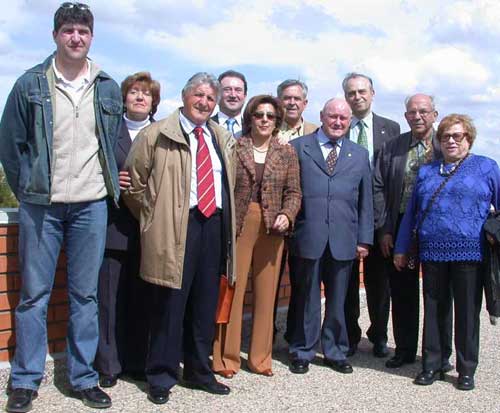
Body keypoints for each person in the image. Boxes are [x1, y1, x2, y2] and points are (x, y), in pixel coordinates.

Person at [0, 3, 121, 411]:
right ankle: (25, 380)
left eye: (83, 31)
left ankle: (83, 378)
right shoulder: (30, 83)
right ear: (55, 36)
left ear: (91, 36)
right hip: (42, 207)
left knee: (85, 296)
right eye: (68, 30)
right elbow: (10, 147)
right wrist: (29, 189)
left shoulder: (106, 86)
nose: (76, 37)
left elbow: (112, 141)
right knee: (34, 295)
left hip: (91, 205)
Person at [123, 73, 236, 405]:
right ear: (185, 96)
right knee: (169, 306)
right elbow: (133, 183)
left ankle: (200, 371)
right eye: (198, 95)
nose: (204, 102)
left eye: (210, 98)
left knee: (204, 303)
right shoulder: (156, 135)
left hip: (212, 224)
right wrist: (153, 217)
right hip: (174, 227)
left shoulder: (218, 136)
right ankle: (161, 374)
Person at [394, 114, 500, 391]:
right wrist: (402, 248)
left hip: (470, 253)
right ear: (439, 141)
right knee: (434, 310)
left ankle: (466, 369)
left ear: (469, 138)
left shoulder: (487, 167)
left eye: (457, 136)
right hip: (432, 252)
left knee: (466, 313)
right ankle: (433, 363)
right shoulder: (428, 171)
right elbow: (412, 214)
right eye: (445, 136)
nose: (451, 141)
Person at [212, 95, 301, 378]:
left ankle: (261, 358)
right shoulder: (234, 147)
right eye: (259, 115)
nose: (264, 120)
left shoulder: (286, 152)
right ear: (250, 118)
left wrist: (287, 214)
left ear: (277, 122)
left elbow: (294, 192)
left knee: (266, 293)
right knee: (233, 290)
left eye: (270, 116)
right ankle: (225, 358)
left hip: (272, 227)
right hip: (240, 223)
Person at [286, 98, 373, 375]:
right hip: (308, 235)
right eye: (332, 116)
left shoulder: (358, 154)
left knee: (338, 300)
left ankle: (335, 350)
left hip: (344, 238)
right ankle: (302, 349)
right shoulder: (299, 148)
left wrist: (364, 239)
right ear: (322, 116)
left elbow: (366, 201)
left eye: (343, 119)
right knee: (306, 298)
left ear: (349, 122)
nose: (337, 122)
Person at [374, 94, 452, 370]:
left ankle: (441, 355)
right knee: (402, 291)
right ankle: (405, 349)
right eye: (412, 112)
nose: (417, 116)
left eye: (423, 111)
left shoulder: (447, 147)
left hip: (436, 229)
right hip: (399, 226)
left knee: (438, 292)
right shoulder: (392, 147)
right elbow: (378, 187)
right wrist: (383, 229)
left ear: (434, 114)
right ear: (405, 116)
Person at [94, 72, 161, 388]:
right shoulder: (109, 131)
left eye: (145, 94)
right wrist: (111, 180)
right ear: (124, 98)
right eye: (134, 92)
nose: (139, 97)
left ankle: (137, 361)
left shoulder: (162, 135)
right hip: (115, 228)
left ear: (153, 102)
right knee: (109, 300)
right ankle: (109, 365)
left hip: (151, 232)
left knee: (143, 301)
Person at [342, 73, 400, 357]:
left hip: (378, 216)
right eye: (351, 93)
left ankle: (378, 333)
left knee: (379, 282)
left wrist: (386, 222)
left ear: (372, 93)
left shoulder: (391, 129)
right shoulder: (339, 126)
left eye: (362, 91)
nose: (357, 97)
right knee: (347, 280)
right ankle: (350, 335)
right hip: (345, 217)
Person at [277, 79, 318, 144]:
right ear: (278, 102)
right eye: (287, 98)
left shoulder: (316, 132)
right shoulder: (268, 130)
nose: (292, 103)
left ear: (304, 104)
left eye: (297, 99)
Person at [212, 70, 248, 138]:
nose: (233, 95)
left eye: (238, 90)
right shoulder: (205, 126)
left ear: (245, 96)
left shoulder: (251, 128)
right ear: (217, 95)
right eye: (227, 89)